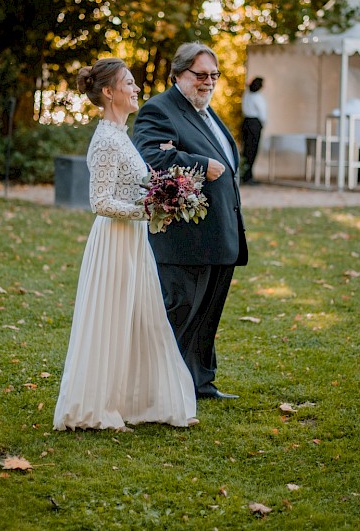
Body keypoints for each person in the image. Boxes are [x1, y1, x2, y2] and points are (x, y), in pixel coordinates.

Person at [54, 58, 197, 431]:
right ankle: (96, 405)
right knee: (113, 319)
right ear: (108, 92)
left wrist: (166, 195)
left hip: (132, 241)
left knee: (139, 319)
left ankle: (136, 399)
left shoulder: (122, 135)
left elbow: (135, 187)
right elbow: (99, 202)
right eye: (129, 83)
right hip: (114, 242)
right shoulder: (105, 140)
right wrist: (148, 210)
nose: (136, 90)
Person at [132, 42, 248, 400]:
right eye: (200, 75)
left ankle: (199, 383)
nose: (208, 82)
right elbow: (149, 157)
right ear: (178, 75)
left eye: (214, 75)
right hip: (185, 238)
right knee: (179, 312)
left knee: (207, 317)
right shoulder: (159, 110)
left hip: (219, 234)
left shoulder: (206, 113)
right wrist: (200, 164)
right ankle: (159, 387)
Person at [241, 76, 267, 184]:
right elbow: (263, 113)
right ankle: (248, 176)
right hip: (255, 123)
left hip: (246, 122)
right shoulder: (258, 97)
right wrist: (263, 123)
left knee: (246, 149)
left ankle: (245, 173)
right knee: (253, 149)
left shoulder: (246, 95)